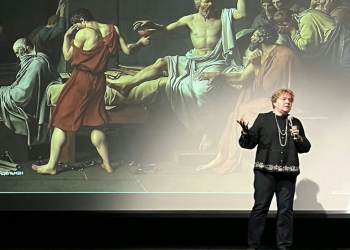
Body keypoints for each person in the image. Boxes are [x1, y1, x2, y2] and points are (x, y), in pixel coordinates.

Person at [108, 0, 247, 151]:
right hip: (194, 60)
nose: (211, 4)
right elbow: (168, 29)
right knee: (161, 62)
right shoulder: (190, 19)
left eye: (212, 1)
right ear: (198, 3)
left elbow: (242, 13)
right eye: (207, 1)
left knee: (201, 89)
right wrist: (153, 25)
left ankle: (207, 130)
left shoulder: (224, 15)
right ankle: (127, 86)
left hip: (215, 61)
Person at [32, 8, 150, 175]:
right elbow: (129, 50)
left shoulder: (83, 34)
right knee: (95, 123)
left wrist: (66, 37)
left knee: (60, 121)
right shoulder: (112, 29)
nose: (77, 29)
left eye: (76, 25)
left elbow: (67, 56)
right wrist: (140, 43)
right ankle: (107, 164)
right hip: (99, 82)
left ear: (81, 20)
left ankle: (51, 165)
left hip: (81, 80)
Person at [196, 25, 305, 173]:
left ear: (261, 37)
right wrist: (218, 75)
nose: (251, 38)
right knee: (233, 115)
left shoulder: (282, 55)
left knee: (244, 109)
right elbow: (242, 77)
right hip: (268, 100)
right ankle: (222, 156)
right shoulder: (260, 54)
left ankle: (231, 159)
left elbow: (268, 89)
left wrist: (256, 67)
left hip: (282, 102)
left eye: (254, 35)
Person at [238, 88, 311, 250]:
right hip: (265, 173)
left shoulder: (295, 122)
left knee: (285, 211)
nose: (287, 102)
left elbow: (306, 147)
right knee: (260, 208)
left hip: (288, 175)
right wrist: (245, 133)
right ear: (274, 102)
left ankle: (284, 245)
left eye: (290, 100)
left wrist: (298, 137)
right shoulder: (263, 119)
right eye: (284, 99)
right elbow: (248, 144)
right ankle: (253, 245)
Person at [0, 38, 62, 147]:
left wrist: (3, 91)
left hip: (29, 104)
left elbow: (22, 95)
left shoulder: (36, 64)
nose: (18, 56)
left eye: (18, 52)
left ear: (27, 48)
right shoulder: (38, 60)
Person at [273, 8, 350, 76]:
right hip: (340, 41)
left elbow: (306, 45)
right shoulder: (305, 15)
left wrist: (292, 31)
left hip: (343, 43)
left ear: (287, 24)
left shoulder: (306, 19)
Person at [28, 0, 66, 70]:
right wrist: (62, 14)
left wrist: (58, 9)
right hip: (44, 60)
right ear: (55, 24)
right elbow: (60, 29)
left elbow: (55, 21)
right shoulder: (44, 33)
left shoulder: (43, 29)